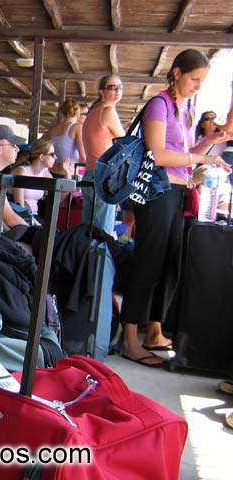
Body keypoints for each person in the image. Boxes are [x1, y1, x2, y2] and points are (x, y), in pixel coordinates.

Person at [120, 49, 231, 367]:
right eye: (195, 78)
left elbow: (185, 155)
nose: (198, 85)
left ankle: (153, 330)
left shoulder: (185, 109)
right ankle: (129, 339)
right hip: (158, 193)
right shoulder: (159, 104)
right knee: (148, 262)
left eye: (202, 81)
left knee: (171, 264)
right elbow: (157, 154)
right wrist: (202, 157)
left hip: (178, 191)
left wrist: (210, 142)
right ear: (178, 73)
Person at [82, 75, 126, 235]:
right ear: (101, 91)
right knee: (102, 236)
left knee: (87, 233)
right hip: (103, 176)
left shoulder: (93, 112)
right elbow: (126, 143)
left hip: (89, 175)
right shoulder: (108, 111)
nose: (117, 90)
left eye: (119, 87)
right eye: (112, 87)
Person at [9, 138, 55, 224]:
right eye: (52, 154)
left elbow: (57, 201)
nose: (55, 157)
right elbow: (19, 206)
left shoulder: (45, 173)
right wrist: (34, 224)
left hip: (35, 216)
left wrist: (68, 173)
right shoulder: (22, 171)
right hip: (21, 217)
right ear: (41, 157)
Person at [44, 99, 86, 177]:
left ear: (62, 112)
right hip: (68, 172)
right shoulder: (77, 127)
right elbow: (83, 157)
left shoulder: (53, 129)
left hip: (52, 171)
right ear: (78, 113)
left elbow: (41, 146)